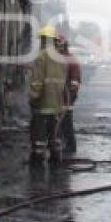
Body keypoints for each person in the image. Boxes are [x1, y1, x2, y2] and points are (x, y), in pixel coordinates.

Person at [29, 26, 69, 163]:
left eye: (42, 39)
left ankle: (38, 159)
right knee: (55, 133)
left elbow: (37, 82)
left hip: (42, 104)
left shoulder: (42, 56)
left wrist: (33, 98)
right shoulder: (61, 58)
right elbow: (63, 83)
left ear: (45, 40)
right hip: (57, 104)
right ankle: (56, 157)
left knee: (39, 134)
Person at [58, 34, 81, 154]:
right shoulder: (59, 58)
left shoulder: (70, 59)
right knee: (59, 123)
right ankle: (63, 144)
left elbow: (75, 80)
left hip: (67, 97)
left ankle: (71, 147)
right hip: (59, 96)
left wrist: (70, 96)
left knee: (66, 123)